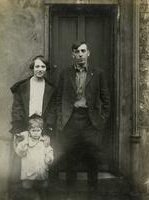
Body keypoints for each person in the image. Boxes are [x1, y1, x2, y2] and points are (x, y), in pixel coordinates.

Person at [56, 41, 110, 199]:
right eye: (77, 51)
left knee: (92, 157)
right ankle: (70, 194)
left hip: (90, 121)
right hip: (71, 120)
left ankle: (93, 193)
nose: (80, 54)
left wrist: (101, 121)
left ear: (88, 53)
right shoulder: (65, 73)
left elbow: (106, 100)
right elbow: (58, 98)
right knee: (70, 156)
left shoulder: (98, 73)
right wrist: (61, 119)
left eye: (83, 51)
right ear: (73, 54)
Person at [9, 55, 56, 198]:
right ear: (32, 68)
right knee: (21, 162)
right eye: (37, 66)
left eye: (43, 67)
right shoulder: (22, 87)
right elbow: (16, 108)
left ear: (46, 69)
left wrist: (47, 132)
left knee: (42, 163)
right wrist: (21, 130)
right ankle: (20, 195)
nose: (40, 69)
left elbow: (53, 110)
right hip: (24, 128)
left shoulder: (50, 88)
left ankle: (42, 194)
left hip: (41, 130)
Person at [14, 114, 54, 200]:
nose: (36, 133)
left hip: (41, 171)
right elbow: (20, 153)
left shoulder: (44, 141)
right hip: (29, 171)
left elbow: (49, 151)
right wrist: (23, 145)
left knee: (42, 188)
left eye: (38, 130)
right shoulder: (26, 142)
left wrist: (49, 158)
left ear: (41, 130)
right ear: (29, 131)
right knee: (28, 190)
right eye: (33, 130)